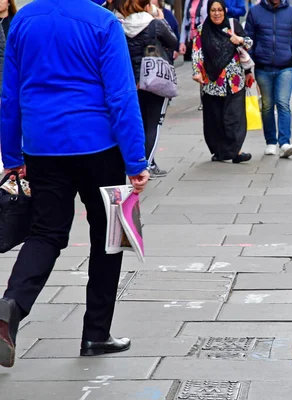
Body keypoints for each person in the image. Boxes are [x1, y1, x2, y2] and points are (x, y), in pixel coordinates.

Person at [0, 0, 150, 368]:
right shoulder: (102, 22)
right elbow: (120, 94)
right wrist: (136, 160)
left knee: (46, 232)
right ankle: (96, 334)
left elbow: (10, 94)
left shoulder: (24, 21)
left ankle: (11, 305)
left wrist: (12, 156)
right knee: (109, 236)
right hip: (99, 144)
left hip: (42, 144)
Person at [114, 0, 178, 179]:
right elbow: (173, 42)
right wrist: (160, 18)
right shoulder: (155, 24)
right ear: (146, 5)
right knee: (153, 124)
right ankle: (147, 164)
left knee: (137, 123)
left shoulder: (117, 25)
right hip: (154, 79)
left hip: (130, 82)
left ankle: (138, 161)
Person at [192, 0, 253, 163]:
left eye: (219, 10)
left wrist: (238, 39)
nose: (217, 13)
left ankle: (236, 151)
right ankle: (220, 151)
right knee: (216, 119)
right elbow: (197, 52)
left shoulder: (232, 26)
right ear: (208, 11)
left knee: (235, 117)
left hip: (235, 80)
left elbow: (249, 43)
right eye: (213, 10)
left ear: (225, 11)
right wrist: (197, 72)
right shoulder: (202, 30)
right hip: (212, 82)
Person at [245, 0, 292, 159]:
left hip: (285, 67)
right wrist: (250, 65)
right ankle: (270, 141)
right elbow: (248, 40)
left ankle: (284, 142)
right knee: (267, 105)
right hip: (263, 67)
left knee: (283, 103)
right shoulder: (255, 12)